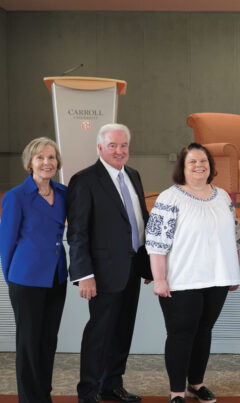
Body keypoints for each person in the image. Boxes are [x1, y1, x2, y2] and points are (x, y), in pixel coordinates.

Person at [145, 142, 240, 403]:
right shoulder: (170, 198)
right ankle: (177, 391)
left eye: (203, 161)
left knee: (204, 332)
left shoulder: (222, 196)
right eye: (193, 162)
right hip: (181, 281)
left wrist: (233, 272)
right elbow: (155, 243)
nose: (199, 165)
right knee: (181, 336)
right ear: (182, 167)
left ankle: (196, 384)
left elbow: (235, 236)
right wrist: (159, 279)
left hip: (218, 279)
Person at [67, 123, 151, 403]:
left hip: (133, 267)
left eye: (123, 145)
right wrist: (83, 274)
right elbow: (77, 232)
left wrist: (149, 264)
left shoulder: (134, 175)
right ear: (100, 147)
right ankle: (88, 392)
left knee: (123, 331)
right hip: (102, 272)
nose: (119, 150)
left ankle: (111, 385)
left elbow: (140, 220)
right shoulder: (85, 180)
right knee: (99, 334)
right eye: (113, 145)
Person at [0, 137, 68, 403]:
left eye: (51, 157)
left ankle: (43, 395)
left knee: (48, 340)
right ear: (30, 162)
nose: (46, 162)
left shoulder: (63, 193)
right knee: (28, 344)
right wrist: (12, 280)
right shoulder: (16, 196)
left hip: (56, 277)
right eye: (40, 157)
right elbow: (6, 244)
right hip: (26, 279)